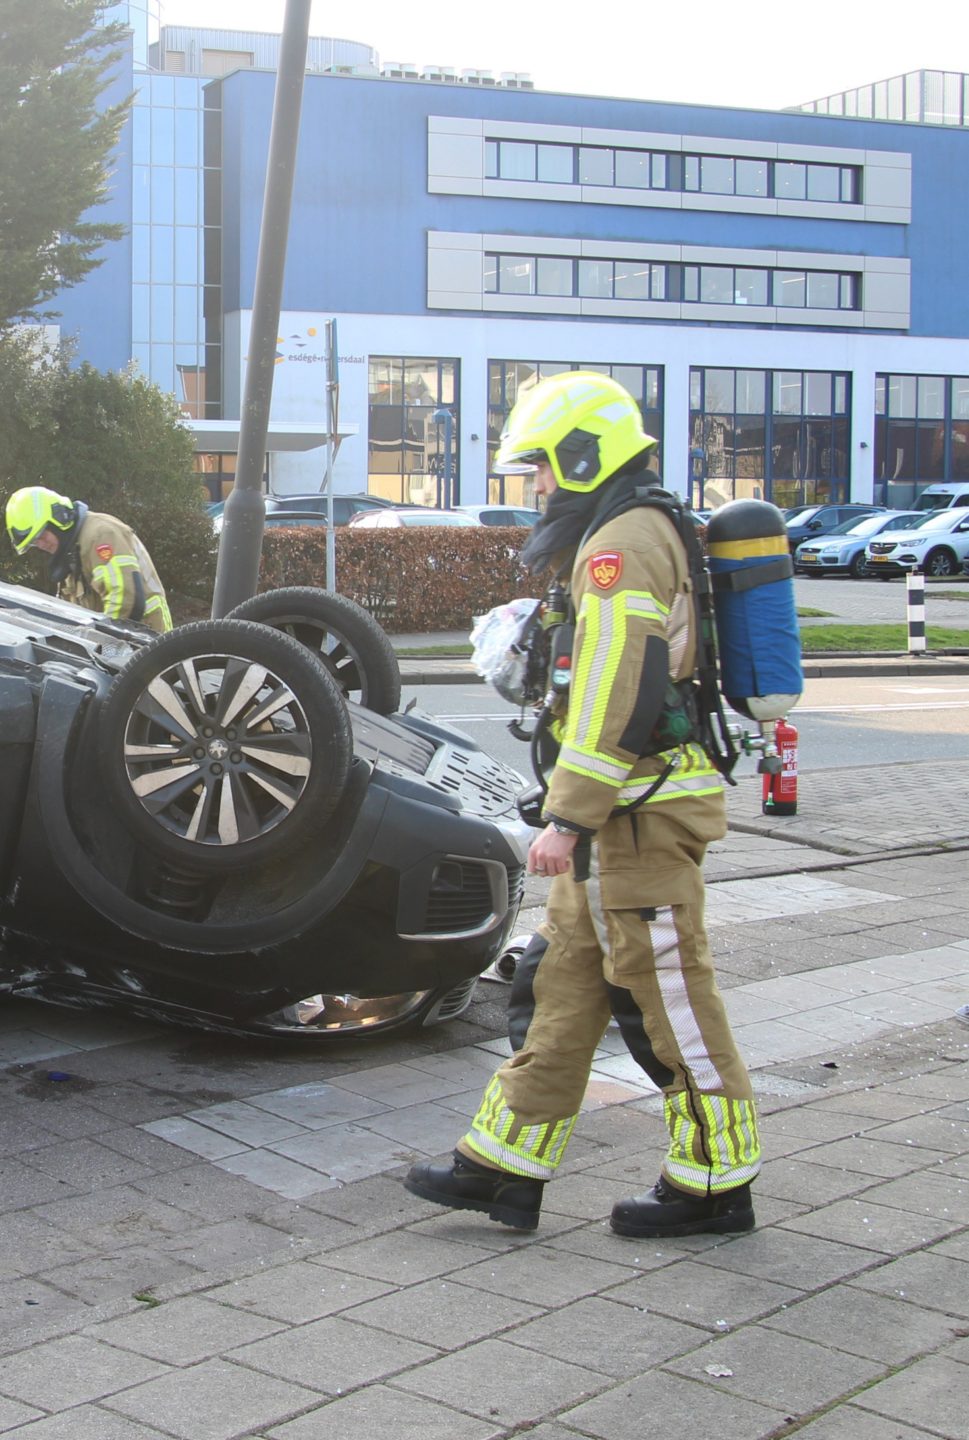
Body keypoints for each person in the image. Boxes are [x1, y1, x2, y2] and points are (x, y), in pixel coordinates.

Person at [404, 371, 757, 1238]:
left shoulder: (623, 544)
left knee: (671, 998)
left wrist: (568, 817)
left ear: (584, 454)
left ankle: (717, 1182)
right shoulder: (628, 526)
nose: (538, 488)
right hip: (620, 819)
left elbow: (614, 689)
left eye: (544, 469)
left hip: (635, 819)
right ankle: (503, 1167)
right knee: (560, 990)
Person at [4, 485, 173, 630]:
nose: (40, 544)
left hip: (147, 631)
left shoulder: (100, 535)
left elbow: (125, 598)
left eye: (41, 535)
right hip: (123, 637)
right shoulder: (70, 551)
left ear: (57, 519)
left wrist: (100, 643)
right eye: (34, 543)